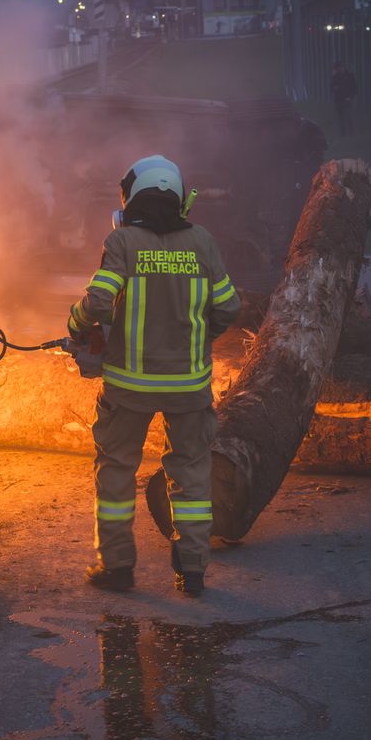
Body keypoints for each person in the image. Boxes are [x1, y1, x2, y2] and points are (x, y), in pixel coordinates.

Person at [68, 155, 242, 597]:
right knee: (192, 474)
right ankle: (193, 570)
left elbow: (99, 301)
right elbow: (228, 309)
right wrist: (199, 340)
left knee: (117, 471)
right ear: (180, 200)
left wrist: (77, 325)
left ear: (131, 198)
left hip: (129, 388)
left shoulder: (123, 241)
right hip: (188, 386)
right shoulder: (203, 242)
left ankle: (118, 567)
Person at [330, 61, 358, 137]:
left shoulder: (350, 75)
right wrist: (334, 88)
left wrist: (350, 97)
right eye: (336, 69)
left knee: (349, 116)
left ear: (342, 67)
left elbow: (355, 88)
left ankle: (351, 133)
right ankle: (343, 134)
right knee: (341, 118)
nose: (338, 70)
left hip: (348, 99)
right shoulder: (335, 77)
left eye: (339, 68)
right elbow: (331, 88)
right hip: (338, 100)